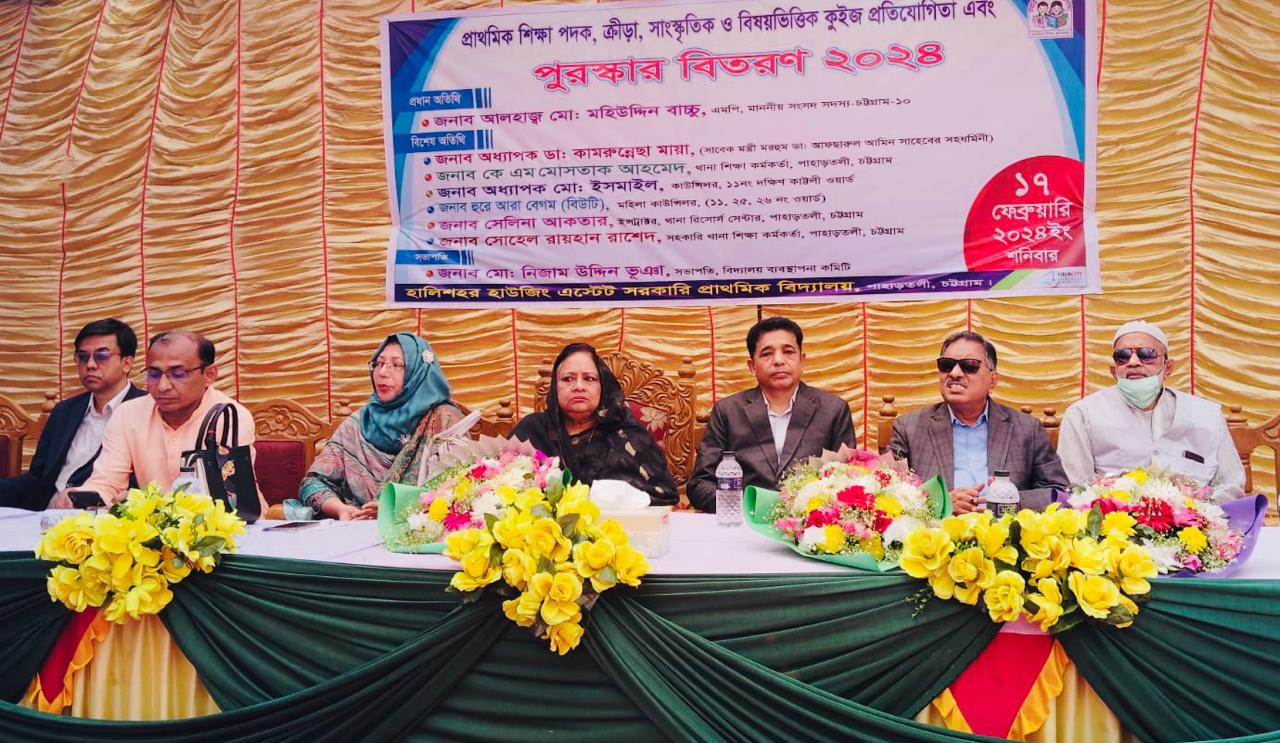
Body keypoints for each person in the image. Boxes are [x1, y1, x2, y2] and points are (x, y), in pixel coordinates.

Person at [51, 331, 269, 514]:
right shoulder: (128, 413)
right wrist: (79, 496)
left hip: (235, 529)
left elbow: (222, 499)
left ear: (209, 374)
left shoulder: (229, 415)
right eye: (154, 374)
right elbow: (107, 482)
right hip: (154, 532)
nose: (163, 386)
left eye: (178, 373)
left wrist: (143, 502)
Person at [1057, 320, 1244, 500]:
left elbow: (1231, 485)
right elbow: (1075, 489)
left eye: (1146, 354)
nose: (1133, 362)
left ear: (1168, 367)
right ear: (1113, 371)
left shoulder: (1206, 415)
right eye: (1122, 356)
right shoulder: (1083, 415)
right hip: (1114, 519)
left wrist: (1197, 509)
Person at [687, 316, 856, 512]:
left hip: (810, 523)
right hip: (743, 520)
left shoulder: (833, 410)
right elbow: (700, 483)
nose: (778, 361)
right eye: (767, 354)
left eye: (788, 352)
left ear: (802, 360)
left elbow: (847, 479)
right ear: (752, 366)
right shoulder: (728, 411)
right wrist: (747, 507)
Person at [889, 331, 1068, 513]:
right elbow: (886, 494)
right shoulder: (909, 428)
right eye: (946, 365)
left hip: (1004, 528)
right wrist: (941, 502)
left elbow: (1059, 493)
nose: (954, 373)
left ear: (992, 380)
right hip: (936, 529)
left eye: (969, 366)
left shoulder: (1027, 429)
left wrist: (1009, 502)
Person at [300, 333, 464, 520]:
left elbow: (460, 484)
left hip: (420, 528)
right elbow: (313, 483)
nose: (382, 372)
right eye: (378, 363)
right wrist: (341, 509)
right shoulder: (360, 422)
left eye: (396, 365)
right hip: (357, 525)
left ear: (418, 372)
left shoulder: (445, 421)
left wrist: (399, 506)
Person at [0, 319, 147, 510]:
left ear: (127, 363)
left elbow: (145, 485)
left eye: (102, 356)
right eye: (83, 357)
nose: (90, 364)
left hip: (101, 516)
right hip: (44, 513)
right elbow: (37, 479)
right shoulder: (65, 410)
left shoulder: (146, 410)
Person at [511, 343, 678, 506]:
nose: (579, 386)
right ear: (555, 387)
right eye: (567, 379)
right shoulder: (533, 430)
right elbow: (502, 486)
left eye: (589, 378)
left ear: (602, 387)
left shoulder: (626, 434)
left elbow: (663, 494)